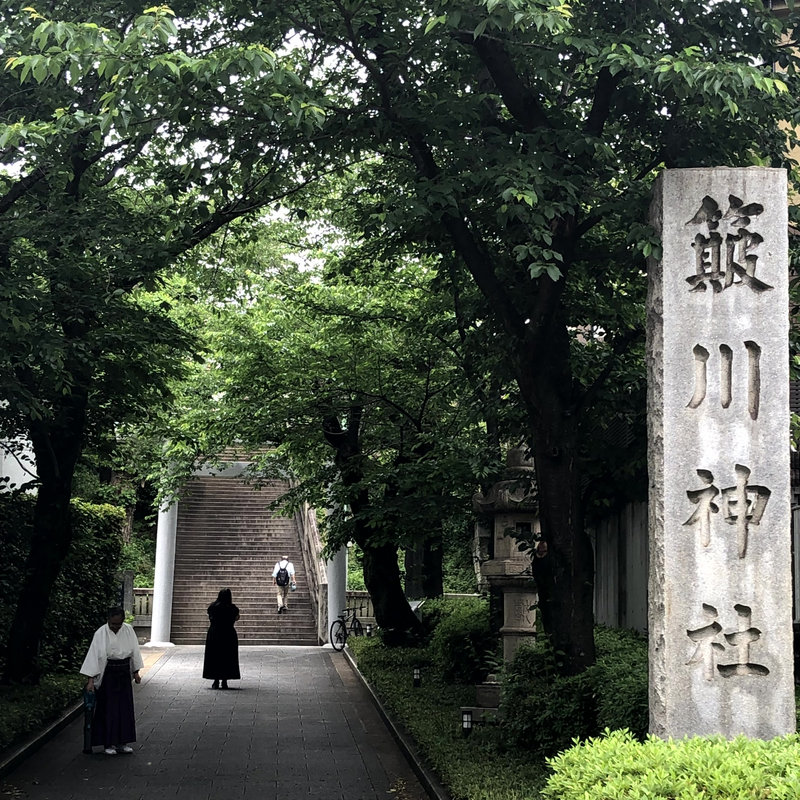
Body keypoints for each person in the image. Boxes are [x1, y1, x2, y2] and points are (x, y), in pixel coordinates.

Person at [80, 607, 143, 755]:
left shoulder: (128, 630)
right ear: (108, 620)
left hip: (123, 671)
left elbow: (135, 651)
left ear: (122, 622)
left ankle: (123, 742)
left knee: (125, 708)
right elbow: (94, 656)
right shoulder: (100, 633)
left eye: (118, 624)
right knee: (107, 708)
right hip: (108, 672)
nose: (115, 627)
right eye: (113, 624)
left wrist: (136, 672)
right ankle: (108, 743)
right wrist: (90, 680)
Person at [202, 588, 240, 689]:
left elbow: (210, 616)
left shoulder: (213, 607)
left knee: (214, 656)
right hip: (228, 634)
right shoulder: (233, 608)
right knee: (227, 656)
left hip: (214, 633)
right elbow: (236, 617)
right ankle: (225, 681)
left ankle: (215, 680)